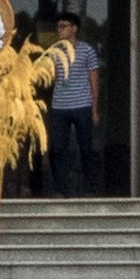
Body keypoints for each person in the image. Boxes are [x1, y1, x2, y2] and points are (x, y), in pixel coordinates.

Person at [44, 15, 100, 197]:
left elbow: (94, 79)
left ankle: (89, 188)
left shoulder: (87, 51)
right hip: (59, 106)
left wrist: (94, 108)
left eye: (64, 26)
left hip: (82, 104)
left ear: (74, 28)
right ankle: (61, 189)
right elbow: (48, 76)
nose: (59, 30)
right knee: (58, 149)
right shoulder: (54, 51)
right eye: (58, 26)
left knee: (86, 148)